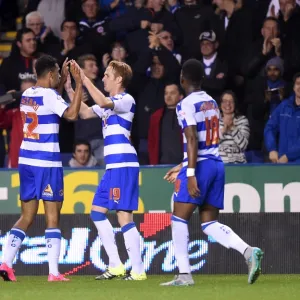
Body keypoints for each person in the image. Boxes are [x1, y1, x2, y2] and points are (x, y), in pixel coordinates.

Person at [160, 59, 263, 286]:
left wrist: (189, 173)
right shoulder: (211, 103)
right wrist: (183, 164)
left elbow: (191, 139)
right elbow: (205, 142)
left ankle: (184, 275)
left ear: (182, 79)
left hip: (201, 167)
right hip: (216, 164)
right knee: (209, 223)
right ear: (202, 79)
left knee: (178, 218)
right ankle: (248, 251)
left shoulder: (185, 104)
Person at [0, 55, 83, 282]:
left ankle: (6, 262)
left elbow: (51, 97)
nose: (59, 76)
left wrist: (63, 79)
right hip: (47, 162)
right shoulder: (50, 96)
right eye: (57, 73)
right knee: (52, 217)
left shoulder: (28, 94)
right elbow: (73, 115)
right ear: (49, 75)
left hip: (26, 160)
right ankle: (54, 272)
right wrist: (79, 85)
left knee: (26, 216)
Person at [64, 60, 146, 281]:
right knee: (97, 212)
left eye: (108, 75)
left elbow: (101, 100)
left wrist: (84, 78)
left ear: (119, 79)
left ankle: (138, 270)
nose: (104, 78)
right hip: (113, 167)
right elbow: (85, 112)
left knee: (123, 216)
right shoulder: (110, 103)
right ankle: (116, 265)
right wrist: (71, 89)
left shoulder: (125, 99)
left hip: (123, 164)